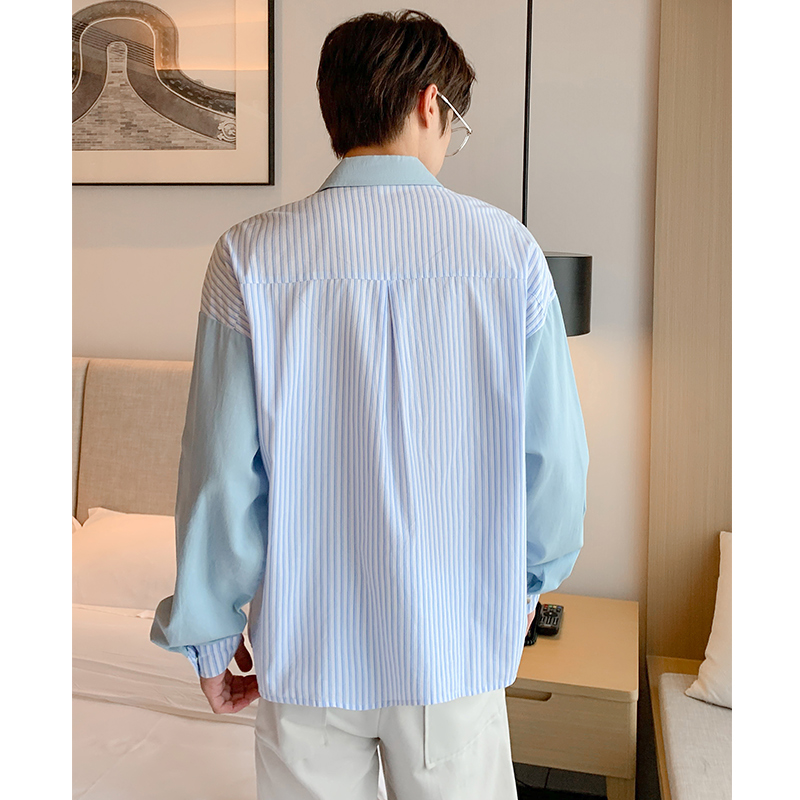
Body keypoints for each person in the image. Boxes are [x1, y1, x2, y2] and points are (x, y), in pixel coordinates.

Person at [150, 9, 589, 800]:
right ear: (430, 103)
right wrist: (527, 586)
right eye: (456, 123)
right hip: (452, 651)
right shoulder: (509, 255)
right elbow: (554, 460)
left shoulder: (247, 256)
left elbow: (219, 474)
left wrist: (211, 638)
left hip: (309, 655)